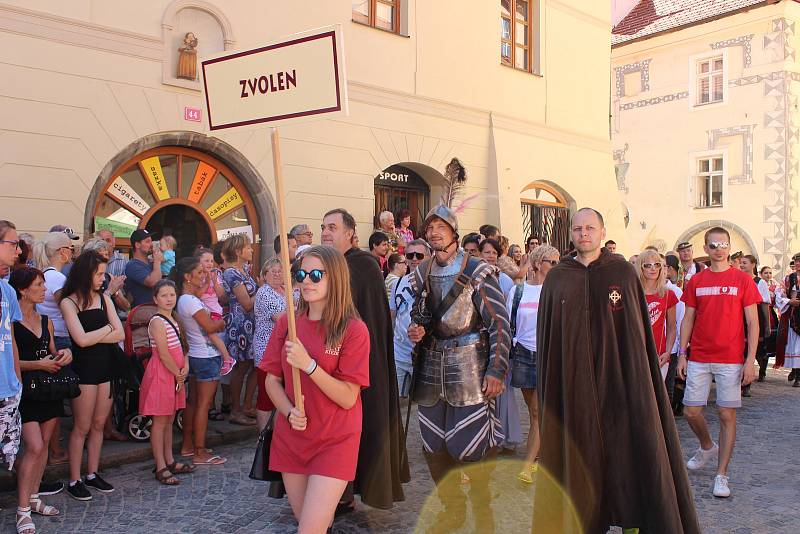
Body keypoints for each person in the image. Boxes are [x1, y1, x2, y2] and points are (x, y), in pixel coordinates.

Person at [534, 208, 699, 533]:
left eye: (590, 228)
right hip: (574, 389)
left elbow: (636, 339)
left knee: (628, 456)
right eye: (578, 228)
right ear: (571, 234)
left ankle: (633, 519)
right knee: (580, 459)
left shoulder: (622, 273)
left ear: (601, 231)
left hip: (621, 389)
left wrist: (637, 387)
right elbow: (550, 341)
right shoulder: (558, 278)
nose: (584, 234)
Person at [406, 204, 511, 530]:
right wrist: (417, 328)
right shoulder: (422, 273)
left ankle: (482, 506)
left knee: (471, 443)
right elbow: (421, 314)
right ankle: (452, 507)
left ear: (453, 230)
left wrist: (496, 369)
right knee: (433, 443)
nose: (434, 232)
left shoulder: (479, 271)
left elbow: (499, 323)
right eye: (430, 227)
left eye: (441, 227)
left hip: (470, 365)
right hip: (430, 365)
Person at [262, 245, 370, 533]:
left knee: (309, 529)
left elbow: (348, 397)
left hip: (335, 438)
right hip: (292, 437)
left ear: (335, 278)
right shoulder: (287, 323)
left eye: (316, 274)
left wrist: (308, 365)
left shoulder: (353, 329)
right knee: (310, 523)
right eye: (301, 274)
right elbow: (271, 380)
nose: (306, 280)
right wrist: (287, 411)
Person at [321, 208, 409, 510]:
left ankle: (347, 491)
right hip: (326, 363)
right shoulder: (325, 265)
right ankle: (331, 492)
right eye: (323, 227)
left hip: (358, 366)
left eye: (332, 227)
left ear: (350, 232)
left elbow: (368, 320)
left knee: (357, 430)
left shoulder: (364, 266)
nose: (326, 232)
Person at [677, 226, 761, 498]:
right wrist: (682, 353)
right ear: (705, 248)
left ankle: (721, 474)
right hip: (699, 355)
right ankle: (706, 446)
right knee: (690, 411)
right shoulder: (696, 282)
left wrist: (751, 361)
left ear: (728, 247)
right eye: (713, 245)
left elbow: (753, 322)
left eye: (722, 244)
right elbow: (688, 318)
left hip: (731, 358)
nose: (718, 249)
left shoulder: (742, 280)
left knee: (726, 414)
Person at [10, 267, 73, 534]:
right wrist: (38, 364)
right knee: (34, 446)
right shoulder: (10, 322)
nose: (44, 290)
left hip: (48, 389)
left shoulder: (45, 319)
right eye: (39, 285)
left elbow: (52, 352)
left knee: (45, 444)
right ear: (23, 290)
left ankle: (34, 497)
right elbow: (9, 362)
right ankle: (22, 509)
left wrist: (64, 355)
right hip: (24, 391)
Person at [60, 250, 124, 501]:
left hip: (105, 367)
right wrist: (107, 328)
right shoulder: (69, 302)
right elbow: (80, 341)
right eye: (98, 274)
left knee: (99, 424)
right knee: (82, 427)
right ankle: (75, 478)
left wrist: (101, 332)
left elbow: (120, 334)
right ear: (86, 274)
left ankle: (92, 473)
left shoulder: (103, 298)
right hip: (84, 370)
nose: (102, 278)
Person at [508, 245, 559, 484]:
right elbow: (509, 323)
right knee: (534, 411)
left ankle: (527, 466)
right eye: (552, 262)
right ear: (538, 263)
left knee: (538, 412)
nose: (556, 267)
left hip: (549, 354)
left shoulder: (558, 291)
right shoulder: (519, 291)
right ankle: (543, 454)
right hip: (523, 355)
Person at [174, 257, 228, 465]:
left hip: (196, 355)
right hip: (205, 355)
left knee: (193, 402)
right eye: (199, 273)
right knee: (203, 405)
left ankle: (188, 445)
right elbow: (211, 327)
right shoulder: (191, 301)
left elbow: (200, 292)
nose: (203, 275)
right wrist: (222, 322)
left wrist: (206, 281)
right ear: (187, 277)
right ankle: (200, 450)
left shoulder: (185, 299)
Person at [140, 279, 194, 486]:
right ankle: (160, 464)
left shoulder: (175, 319)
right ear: (155, 299)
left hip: (175, 374)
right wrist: (178, 374)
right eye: (164, 295)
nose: (169, 298)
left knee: (169, 419)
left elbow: (183, 347)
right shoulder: (157, 321)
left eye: (172, 294)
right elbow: (163, 353)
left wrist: (185, 367)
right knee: (160, 422)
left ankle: (169, 459)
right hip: (163, 375)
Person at [222, 235, 258, 426]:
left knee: (251, 365)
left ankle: (245, 406)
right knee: (241, 367)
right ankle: (235, 410)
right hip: (240, 324)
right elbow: (245, 303)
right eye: (248, 247)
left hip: (249, 324)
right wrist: (264, 290)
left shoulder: (243, 271)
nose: (251, 250)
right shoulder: (231, 273)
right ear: (238, 252)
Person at [389, 240, 430, 398]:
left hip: (423, 356)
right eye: (410, 255)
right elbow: (393, 316)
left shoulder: (434, 283)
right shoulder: (398, 283)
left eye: (419, 255)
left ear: (428, 257)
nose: (414, 259)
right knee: (395, 402)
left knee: (424, 404)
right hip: (399, 352)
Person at [253, 259, 286, 430]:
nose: (277, 274)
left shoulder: (283, 291)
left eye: (280, 270)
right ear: (264, 276)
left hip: (282, 351)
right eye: (272, 271)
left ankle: (277, 436)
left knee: (280, 395)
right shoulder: (264, 293)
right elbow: (280, 318)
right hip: (267, 350)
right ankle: (264, 438)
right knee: (266, 397)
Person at [636, 250, 678, 381]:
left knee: (656, 398)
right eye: (647, 265)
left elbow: (672, 327)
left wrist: (668, 352)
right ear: (640, 268)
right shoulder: (633, 294)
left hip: (659, 356)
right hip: (635, 355)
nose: (653, 268)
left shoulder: (668, 295)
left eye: (657, 264)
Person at [194, 248, 231, 379]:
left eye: (211, 261)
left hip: (214, 311)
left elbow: (221, 294)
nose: (210, 263)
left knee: (211, 333)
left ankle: (226, 358)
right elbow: (197, 295)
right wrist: (207, 282)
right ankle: (224, 358)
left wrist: (214, 282)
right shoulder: (197, 276)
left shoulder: (217, 275)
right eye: (206, 261)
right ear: (198, 262)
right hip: (204, 311)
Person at [740, 255, 771, 388]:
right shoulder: (738, 279)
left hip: (755, 316)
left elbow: (764, 305)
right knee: (740, 349)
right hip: (739, 317)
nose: (741, 265)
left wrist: (767, 324)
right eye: (740, 263)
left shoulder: (760, 282)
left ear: (753, 264)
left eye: (744, 263)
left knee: (752, 350)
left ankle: (747, 383)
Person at [82, 238, 130, 314]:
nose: (106, 258)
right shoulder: (82, 279)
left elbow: (126, 307)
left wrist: (116, 293)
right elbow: (91, 310)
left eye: (107, 254)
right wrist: (110, 291)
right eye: (101, 255)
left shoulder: (109, 277)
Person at [776, 253, 800, 386]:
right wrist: (789, 301)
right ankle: (795, 371)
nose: (797, 263)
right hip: (792, 315)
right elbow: (779, 295)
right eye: (796, 261)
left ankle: (798, 374)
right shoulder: (787, 279)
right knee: (794, 345)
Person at [124, 229, 163, 307]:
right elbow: (153, 282)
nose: (151, 244)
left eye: (151, 241)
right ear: (137, 245)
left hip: (156, 308)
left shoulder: (151, 262)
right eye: (147, 241)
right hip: (143, 310)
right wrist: (157, 261)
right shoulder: (132, 265)